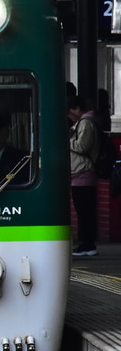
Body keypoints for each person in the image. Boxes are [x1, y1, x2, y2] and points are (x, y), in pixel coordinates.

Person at [68, 95, 99, 256]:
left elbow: (82, 146)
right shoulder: (84, 122)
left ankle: (87, 244)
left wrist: (68, 140)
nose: (69, 115)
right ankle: (86, 243)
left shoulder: (86, 123)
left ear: (77, 109)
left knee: (85, 211)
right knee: (83, 211)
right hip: (79, 173)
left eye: (70, 111)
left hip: (83, 173)